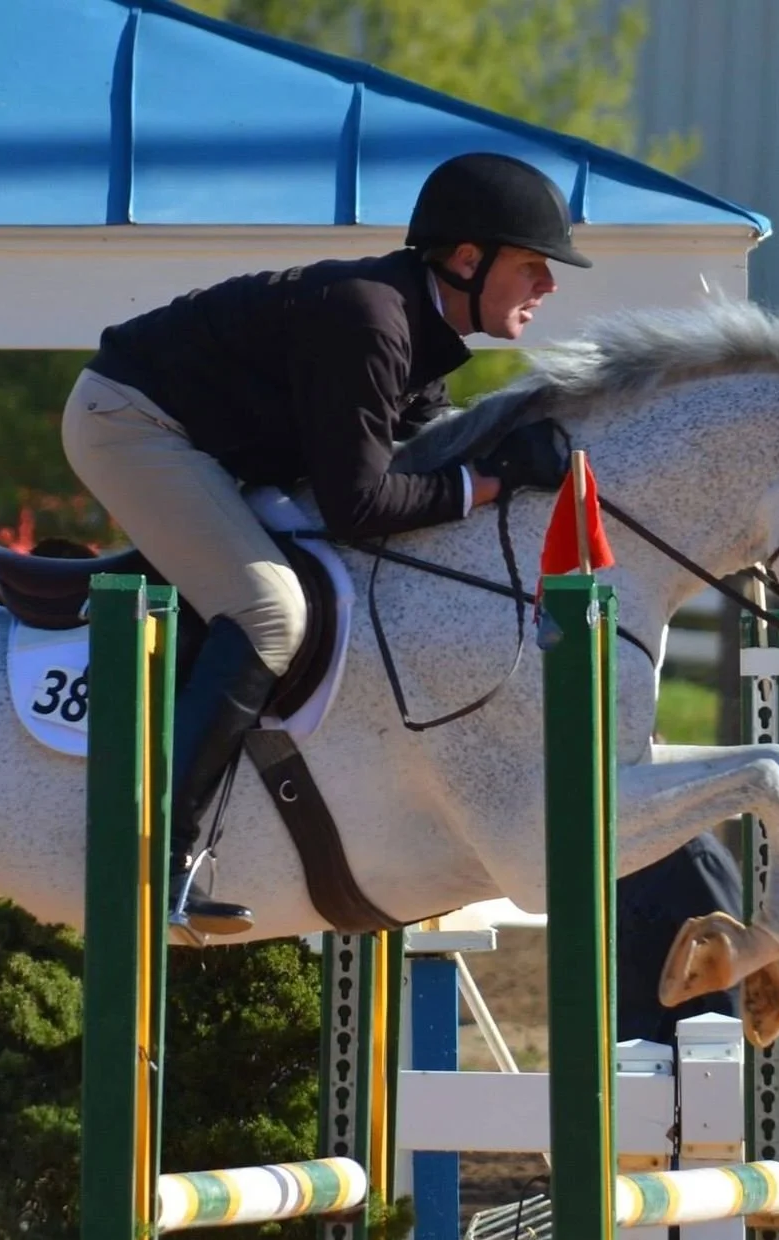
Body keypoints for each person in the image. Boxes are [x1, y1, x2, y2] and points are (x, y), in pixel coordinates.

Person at [60, 152, 590, 938]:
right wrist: (494, 480)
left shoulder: (420, 329)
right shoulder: (372, 318)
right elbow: (361, 504)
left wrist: (492, 470)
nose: (548, 284)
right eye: (532, 265)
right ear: (468, 259)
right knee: (272, 610)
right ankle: (149, 859)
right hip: (133, 423)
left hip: (212, 445)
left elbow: (408, 464)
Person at [616, 831, 745, 1045]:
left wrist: (714, 1071)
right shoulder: (619, 856)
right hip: (618, 1059)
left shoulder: (692, 858)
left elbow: (730, 977)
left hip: (676, 1065)